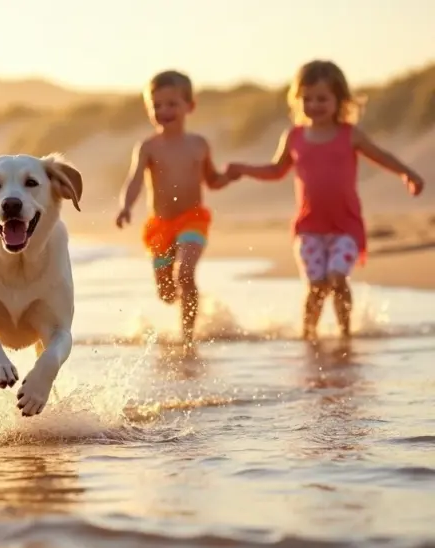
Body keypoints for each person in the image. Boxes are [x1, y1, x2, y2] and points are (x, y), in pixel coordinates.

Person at [226, 60, 425, 341]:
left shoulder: (349, 134)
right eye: (307, 98)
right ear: (297, 100)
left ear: (339, 100)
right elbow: (275, 170)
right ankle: (309, 336)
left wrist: (407, 173)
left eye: (322, 98)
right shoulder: (294, 136)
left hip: (346, 226)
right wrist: (243, 169)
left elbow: (381, 156)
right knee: (316, 285)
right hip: (309, 228)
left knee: (338, 278)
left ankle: (345, 334)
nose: (314, 105)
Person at [116, 70, 238, 351]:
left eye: (171, 104)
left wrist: (228, 176)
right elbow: (134, 180)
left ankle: (187, 337)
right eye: (156, 106)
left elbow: (212, 180)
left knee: (184, 274)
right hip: (160, 226)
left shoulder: (198, 144)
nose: (163, 111)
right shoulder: (147, 147)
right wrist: (125, 206)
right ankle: (193, 308)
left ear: (189, 106)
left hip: (192, 221)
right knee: (166, 291)